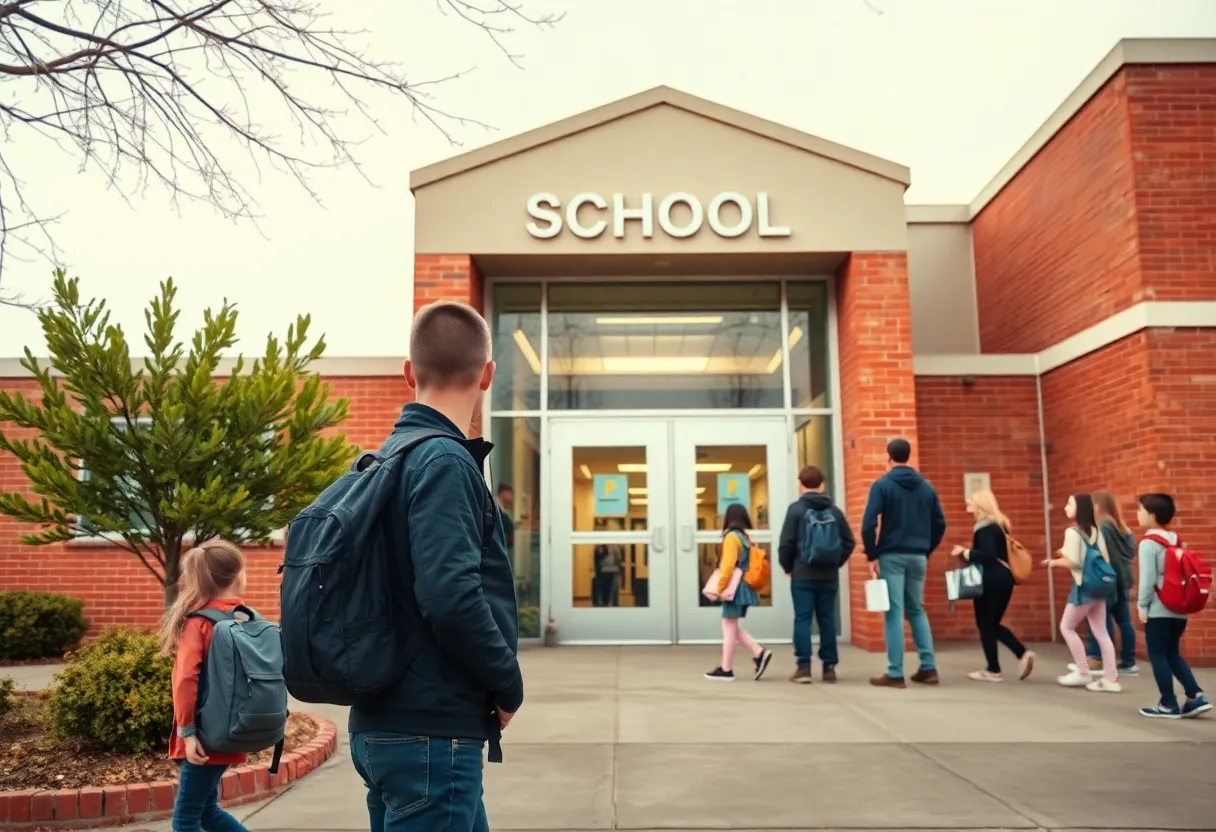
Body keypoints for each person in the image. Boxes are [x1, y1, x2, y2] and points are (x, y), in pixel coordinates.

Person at [349, 300, 523, 832]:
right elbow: (450, 595)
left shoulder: (388, 458)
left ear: (408, 373)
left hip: (393, 724)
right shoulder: (445, 462)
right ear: (488, 375)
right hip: (430, 734)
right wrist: (507, 683)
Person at [159, 540, 251, 832]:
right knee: (206, 812)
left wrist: (187, 733)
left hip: (204, 734)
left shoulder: (199, 623)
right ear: (238, 576)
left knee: (186, 821)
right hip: (236, 727)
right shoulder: (246, 618)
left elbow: (186, 679)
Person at [862, 437, 946, 688]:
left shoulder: (883, 485)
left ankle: (895, 672)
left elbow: (868, 523)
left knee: (894, 612)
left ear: (888, 457)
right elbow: (940, 523)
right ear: (908, 456)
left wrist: (872, 554)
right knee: (917, 609)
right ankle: (928, 667)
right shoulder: (926, 487)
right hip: (918, 555)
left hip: (892, 556)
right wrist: (926, 549)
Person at [1136, 493, 1212, 719]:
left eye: (1140, 511)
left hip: (1158, 609)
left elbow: (1147, 579)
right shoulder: (1175, 540)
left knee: (1158, 655)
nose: (1137, 515)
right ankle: (1195, 695)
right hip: (1179, 609)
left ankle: (1168, 704)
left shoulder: (1148, 543)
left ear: (1152, 515)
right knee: (1172, 653)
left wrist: (1142, 606)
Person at [777, 464, 855, 683]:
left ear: (800, 484)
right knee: (827, 619)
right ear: (822, 484)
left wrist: (788, 567)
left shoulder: (796, 510)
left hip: (802, 573)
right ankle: (829, 668)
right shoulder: (835, 510)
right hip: (828, 575)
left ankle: (803, 668)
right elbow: (849, 541)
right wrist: (835, 562)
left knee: (802, 618)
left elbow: (786, 543)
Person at [950, 489, 1034, 682]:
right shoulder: (1000, 525)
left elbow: (988, 555)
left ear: (980, 505)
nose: (967, 506)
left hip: (990, 580)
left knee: (985, 624)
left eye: (970, 503)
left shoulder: (984, 528)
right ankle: (1021, 654)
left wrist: (966, 552)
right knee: (992, 624)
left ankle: (994, 670)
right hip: (1005, 580)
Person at [1046, 494, 1121, 692]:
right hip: (1099, 588)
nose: (1065, 507)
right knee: (1102, 632)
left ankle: (1082, 672)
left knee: (1067, 627)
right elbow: (1103, 558)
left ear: (1079, 508)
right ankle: (1111, 679)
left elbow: (1074, 562)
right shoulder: (1095, 531)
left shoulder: (1072, 532)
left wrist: (1053, 562)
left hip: (1083, 588)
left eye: (1069, 503)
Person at [704, 504, 775, 682]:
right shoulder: (744, 537)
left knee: (728, 626)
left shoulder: (731, 538)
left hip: (734, 588)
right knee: (731, 626)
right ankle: (758, 653)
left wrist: (718, 589)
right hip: (743, 587)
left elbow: (727, 567)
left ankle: (727, 669)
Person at [1079, 490, 1138, 675]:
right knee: (1124, 621)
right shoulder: (1122, 528)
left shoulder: (1102, 526)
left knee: (1101, 621)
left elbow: (1102, 554)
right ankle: (1129, 662)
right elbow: (1129, 553)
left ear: (1098, 506)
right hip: (1122, 579)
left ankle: (1101, 660)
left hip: (1107, 579)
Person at [497, 483, 515, 549]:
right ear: (504, 493)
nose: (512, 497)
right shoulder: (495, 509)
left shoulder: (503, 510)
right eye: (510, 494)